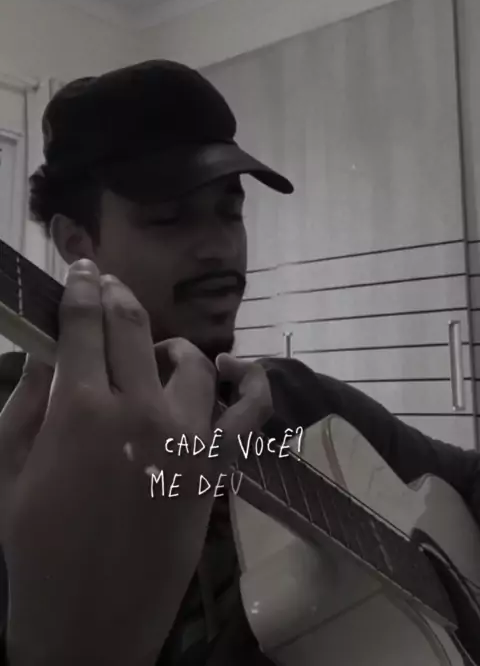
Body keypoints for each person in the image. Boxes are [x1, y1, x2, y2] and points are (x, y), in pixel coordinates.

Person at [0, 59, 479, 666]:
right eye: (170, 217)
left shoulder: (298, 399)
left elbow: (467, 482)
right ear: (77, 242)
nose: (219, 247)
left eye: (230, 211)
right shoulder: (16, 440)